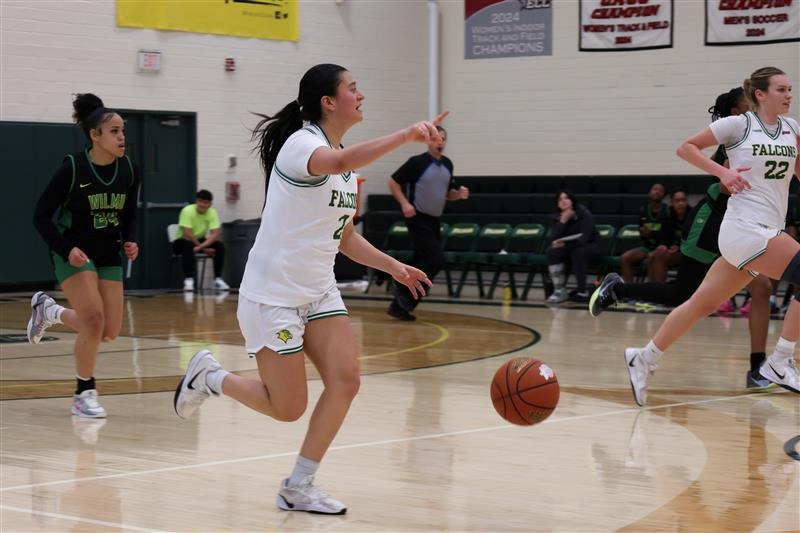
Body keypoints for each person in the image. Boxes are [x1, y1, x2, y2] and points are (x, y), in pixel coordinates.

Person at [172, 64, 435, 515]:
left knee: (346, 381)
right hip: (272, 295)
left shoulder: (344, 165)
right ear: (328, 102)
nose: (362, 95)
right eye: (353, 88)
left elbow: (344, 237)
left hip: (318, 292)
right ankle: (210, 376)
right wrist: (405, 135)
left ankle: (299, 484)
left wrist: (394, 267)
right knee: (288, 407)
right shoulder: (302, 146)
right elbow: (338, 163)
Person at [619, 66, 800, 406]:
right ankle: (780, 361)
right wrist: (723, 172)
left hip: (765, 231)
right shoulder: (739, 125)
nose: (789, 95)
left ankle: (643, 356)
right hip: (744, 228)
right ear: (760, 94)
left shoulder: (792, 129)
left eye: (790, 89)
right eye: (781, 89)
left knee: (698, 305)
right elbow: (686, 148)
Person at [591, 87, 776, 390]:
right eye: (748, 105)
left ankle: (758, 367)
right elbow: (730, 184)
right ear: (735, 113)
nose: (756, 108)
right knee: (683, 294)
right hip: (712, 221)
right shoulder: (734, 140)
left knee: (762, 286)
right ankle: (619, 290)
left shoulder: (760, 136)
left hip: (742, 224)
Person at [28, 93, 140, 418]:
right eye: (114, 131)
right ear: (95, 135)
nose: (121, 137)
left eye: (123, 131)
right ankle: (84, 393)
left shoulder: (130, 170)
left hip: (108, 253)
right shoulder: (73, 169)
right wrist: (65, 248)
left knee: (108, 331)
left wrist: (130, 239)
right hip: (73, 251)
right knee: (93, 321)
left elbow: (129, 213)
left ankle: (50, 311)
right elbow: (40, 216)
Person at [386, 122, 469, 321]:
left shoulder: (448, 164)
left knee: (421, 261)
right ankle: (404, 297)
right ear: (428, 141)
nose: (440, 142)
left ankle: (399, 304)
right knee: (435, 259)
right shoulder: (417, 162)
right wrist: (405, 203)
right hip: (417, 218)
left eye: (443, 139)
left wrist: (458, 195)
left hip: (434, 220)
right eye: (435, 138)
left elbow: (447, 193)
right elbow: (393, 181)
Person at [545, 190, 602, 304]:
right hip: (571, 246)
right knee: (551, 251)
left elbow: (584, 238)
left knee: (578, 252)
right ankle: (559, 290)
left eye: (566, 198)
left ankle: (582, 291)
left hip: (591, 246)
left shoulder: (584, 213)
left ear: (572, 201)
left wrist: (566, 244)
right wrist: (563, 221)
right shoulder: (557, 217)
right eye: (560, 199)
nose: (563, 201)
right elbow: (553, 239)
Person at [173, 189, 229, 291]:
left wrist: (201, 247)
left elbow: (215, 234)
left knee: (219, 246)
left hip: (199, 242)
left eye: (206, 202)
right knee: (188, 245)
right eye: (200, 201)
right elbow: (187, 234)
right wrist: (203, 249)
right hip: (181, 241)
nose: (202, 205)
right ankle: (189, 280)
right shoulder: (187, 210)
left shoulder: (212, 213)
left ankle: (217, 279)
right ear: (196, 201)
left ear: (210, 204)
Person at [619, 182, 667, 282]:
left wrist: (652, 234)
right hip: (647, 247)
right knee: (624, 258)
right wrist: (643, 233)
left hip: (661, 247)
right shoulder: (643, 210)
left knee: (652, 257)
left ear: (664, 195)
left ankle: (652, 292)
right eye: (655, 189)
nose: (657, 192)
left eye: (660, 190)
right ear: (649, 193)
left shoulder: (668, 210)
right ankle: (628, 292)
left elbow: (668, 234)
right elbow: (642, 234)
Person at [646, 187, 690, 283]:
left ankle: (659, 291)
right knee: (653, 255)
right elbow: (664, 237)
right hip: (673, 251)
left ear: (687, 201)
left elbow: (693, 239)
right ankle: (651, 289)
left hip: (689, 252)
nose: (681, 203)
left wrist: (678, 247)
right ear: (672, 203)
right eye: (677, 201)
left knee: (660, 257)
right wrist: (664, 246)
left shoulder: (693, 215)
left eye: (683, 200)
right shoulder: (668, 215)